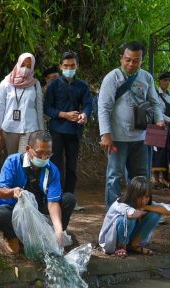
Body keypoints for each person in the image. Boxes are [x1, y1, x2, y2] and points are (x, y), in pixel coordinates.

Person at [98, 41, 165, 208]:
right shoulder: (112, 77)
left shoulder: (146, 77)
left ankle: (141, 208)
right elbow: (103, 107)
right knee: (114, 175)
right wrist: (105, 134)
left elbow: (154, 102)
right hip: (117, 138)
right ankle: (113, 211)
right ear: (121, 58)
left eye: (136, 60)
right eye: (128, 59)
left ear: (141, 60)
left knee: (141, 175)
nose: (131, 64)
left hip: (141, 137)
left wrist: (159, 120)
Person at [0, 130, 76, 254]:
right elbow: (0, 191)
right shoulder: (13, 161)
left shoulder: (52, 170)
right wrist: (12, 191)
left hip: (39, 209)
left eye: (48, 154)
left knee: (68, 199)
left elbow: (53, 203)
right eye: (40, 153)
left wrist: (58, 229)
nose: (44, 157)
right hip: (14, 209)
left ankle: (56, 238)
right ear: (28, 149)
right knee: (0, 214)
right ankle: (13, 238)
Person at [44, 51, 92, 202]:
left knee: (72, 165)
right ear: (61, 66)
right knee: (56, 164)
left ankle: (69, 197)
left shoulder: (82, 85)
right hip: (56, 130)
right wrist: (63, 114)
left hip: (74, 131)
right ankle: (55, 196)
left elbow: (88, 104)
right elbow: (47, 108)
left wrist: (84, 114)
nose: (69, 68)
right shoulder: (53, 84)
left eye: (72, 65)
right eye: (66, 65)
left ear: (77, 66)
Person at [99, 176, 164, 257]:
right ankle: (121, 247)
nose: (143, 200)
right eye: (140, 197)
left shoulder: (146, 204)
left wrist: (147, 207)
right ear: (133, 195)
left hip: (130, 238)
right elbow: (131, 214)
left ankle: (134, 245)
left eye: (146, 197)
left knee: (155, 215)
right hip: (113, 241)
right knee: (128, 219)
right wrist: (143, 211)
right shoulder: (120, 204)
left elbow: (166, 209)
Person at [0, 53, 44, 155]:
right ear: (18, 64)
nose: (25, 68)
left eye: (29, 66)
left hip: (30, 128)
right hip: (10, 128)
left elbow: (39, 109)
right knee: (12, 159)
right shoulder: (5, 83)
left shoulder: (35, 84)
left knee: (24, 158)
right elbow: (0, 108)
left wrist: (41, 131)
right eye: (23, 65)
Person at [152, 71, 170, 188]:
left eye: (169, 80)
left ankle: (164, 179)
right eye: (165, 80)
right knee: (158, 153)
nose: (167, 83)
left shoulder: (168, 95)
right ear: (160, 81)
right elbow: (156, 110)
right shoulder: (155, 94)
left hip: (168, 128)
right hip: (158, 127)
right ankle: (156, 180)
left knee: (166, 153)